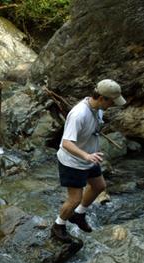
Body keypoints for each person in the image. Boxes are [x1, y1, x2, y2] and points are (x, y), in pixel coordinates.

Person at [51, 79, 126, 243]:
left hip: (89, 158)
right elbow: (66, 143)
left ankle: (78, 215)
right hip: (73, 161)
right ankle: (58, 225)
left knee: (99, 186)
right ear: (102, 98)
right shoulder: (79, 114)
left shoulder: (97, 108)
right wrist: (86, 155)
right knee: (74, 199)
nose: (113, 105)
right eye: (112, 101)